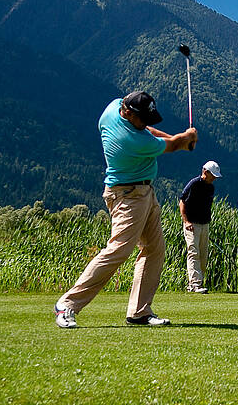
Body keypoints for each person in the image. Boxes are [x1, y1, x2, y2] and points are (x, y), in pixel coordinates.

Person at [54, 91, 197, 328]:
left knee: (154, 249)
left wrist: (181, 139)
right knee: (118, 250)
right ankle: (67, 303)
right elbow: (170, 146)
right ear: (128, 113)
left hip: (142, 193)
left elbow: (149, 131)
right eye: (144, 118)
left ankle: (139, 311)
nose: (147, 124)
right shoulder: (132, 141)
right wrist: (186, 138)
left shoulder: (113, 108)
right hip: (128, 197)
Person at [180, 160, 221, 294]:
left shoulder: (211, 188)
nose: (214, 178)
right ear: (205, 172)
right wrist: (186, 221)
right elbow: (182, 201)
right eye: (213, 175)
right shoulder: (194, 184)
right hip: (191, 224)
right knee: (193, 253)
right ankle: (195, 284)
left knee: (203, 256)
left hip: (204, 224)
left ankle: (196, 283)